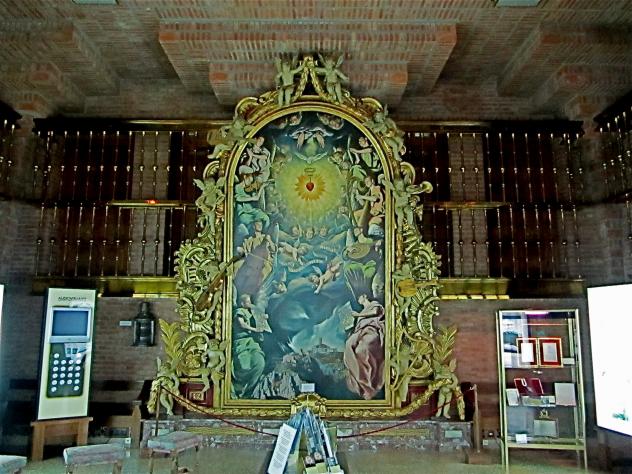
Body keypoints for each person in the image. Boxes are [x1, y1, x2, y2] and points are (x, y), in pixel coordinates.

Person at [343, 294, 385, 400]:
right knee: (348, 345)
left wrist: (358, 315)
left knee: (361, 350)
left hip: (371, 330)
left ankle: (366, 382)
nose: (358, 300)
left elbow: (375, 312)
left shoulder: (373, 304)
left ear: (364, 296)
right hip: (359, 332)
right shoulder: (361, 313)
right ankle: (359, 379)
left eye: (359, 298)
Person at [232, 294, 266, 397]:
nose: (250, 304)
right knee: (243, 364)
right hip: (241, 342)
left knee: (259, 362)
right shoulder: (239, 311)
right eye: (247, 302)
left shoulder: (250, 312)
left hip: (250, 342)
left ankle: (249, 390)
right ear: (242, 303)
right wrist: (255, 330)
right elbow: (242, 324)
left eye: (250, 301)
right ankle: (239, 387)